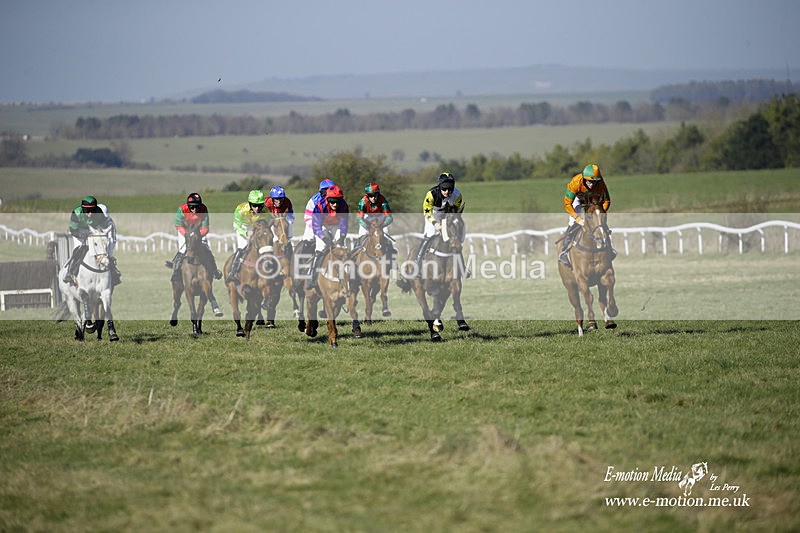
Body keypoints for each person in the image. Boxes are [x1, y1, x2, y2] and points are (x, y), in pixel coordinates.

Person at [398, 172, 464, 288]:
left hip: (447, 217)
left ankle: (462, 267)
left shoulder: (457, 195)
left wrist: (448, 224)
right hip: (433, 215)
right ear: (440, 187)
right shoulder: (431, 194)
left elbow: (455, 212)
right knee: (429, 237)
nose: (447, 192)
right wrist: (435, 224)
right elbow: (426, 211)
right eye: (444, 189)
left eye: (449, 189)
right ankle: (417, 264)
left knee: (457, 239)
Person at [558, 163, 612, 268]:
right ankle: (565, 251)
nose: (591, 184)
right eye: (589, 181)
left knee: (600, 223)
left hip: (593, 200)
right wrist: (578, 219)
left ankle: (610, 248)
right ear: (583, 178)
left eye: (594, 182)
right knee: (572, 222)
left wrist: (600, 214)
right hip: (578, 199)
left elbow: (607, 201)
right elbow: (567, 204)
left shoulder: (600, 183)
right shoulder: (575, 182)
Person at [63, 195, 122, 286]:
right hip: (79, 231)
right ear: (83, 209)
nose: (90, 213)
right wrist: (84, 235)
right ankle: (70, 273)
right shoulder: (76, 213)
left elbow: (104, 228)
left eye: (93, 210)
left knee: (103, 249)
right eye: (87, 211)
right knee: (79, 249)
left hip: (94, 230)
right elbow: (73, 230)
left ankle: (113, 272)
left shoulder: (99, 213)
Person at [166, 192, 222, 282]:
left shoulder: (203, 209)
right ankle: (176, 272)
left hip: (198, 231)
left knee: (206, 248)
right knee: (183, 248)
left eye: (197, 206)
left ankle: (214, 271)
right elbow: (178, 225)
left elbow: (205, 227)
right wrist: (187, 236)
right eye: (192, 206)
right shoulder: (181, 209)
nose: (195, 209)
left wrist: (198, 236)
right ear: (188, 205)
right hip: (184, 230)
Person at [306, 185, 349, 290]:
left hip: (336, 225)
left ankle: (350, 277)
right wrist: (325, 239)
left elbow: (343, 224)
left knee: (342, 248)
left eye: (337, 201)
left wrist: (342, 237)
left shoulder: (343, 206)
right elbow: (316, 227)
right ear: (327, 200)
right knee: (320, 249)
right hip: (322, 226)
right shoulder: (320, 206)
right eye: (332, 202)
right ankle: (313, 276)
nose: (335, 204)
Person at [226, 189, 271, 283]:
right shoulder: (240, 209)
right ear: (250, 204)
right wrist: (246, 233)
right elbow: (237, 226)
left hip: (258, 228)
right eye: (255, 205)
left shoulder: (266, 210)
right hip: (243, 227)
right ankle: (233, 272)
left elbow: (266, 224)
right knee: (242, 247)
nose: (258, 209)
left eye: (260, 205)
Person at [354, 182, 397, 269]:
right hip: (367, 219)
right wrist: (369, 229)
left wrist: (379, 227)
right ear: (367, 195)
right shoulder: (363, 202)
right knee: (360, 240)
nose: (373, 198)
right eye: (370, 195)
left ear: (378, 194)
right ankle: (354, 262)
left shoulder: (383, 200)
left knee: (387, 240)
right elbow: (359, 218)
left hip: (380, 219)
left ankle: (393, 261)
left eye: (375, 195)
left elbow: (389, 218)